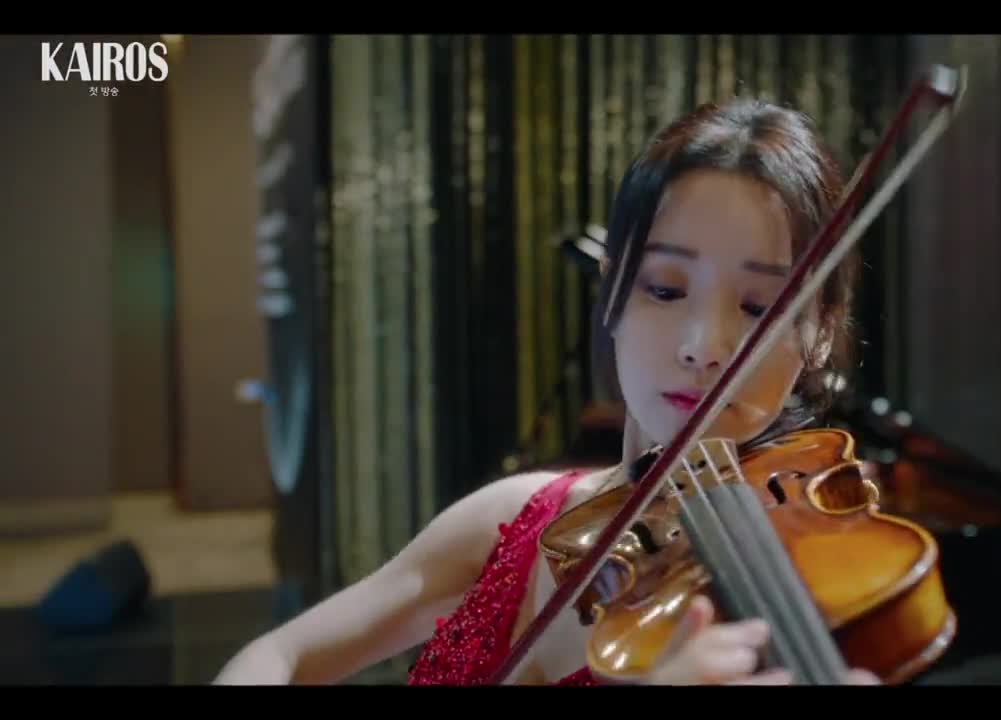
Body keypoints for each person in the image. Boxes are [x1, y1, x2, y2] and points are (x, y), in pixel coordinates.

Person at [214, 97, 879, 686]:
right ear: (612, 293)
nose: (703, 346)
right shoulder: (514, 519)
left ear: (822, 332)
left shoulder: (820, 599)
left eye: (760, 307)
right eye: (665, 289)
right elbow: (281, 657)